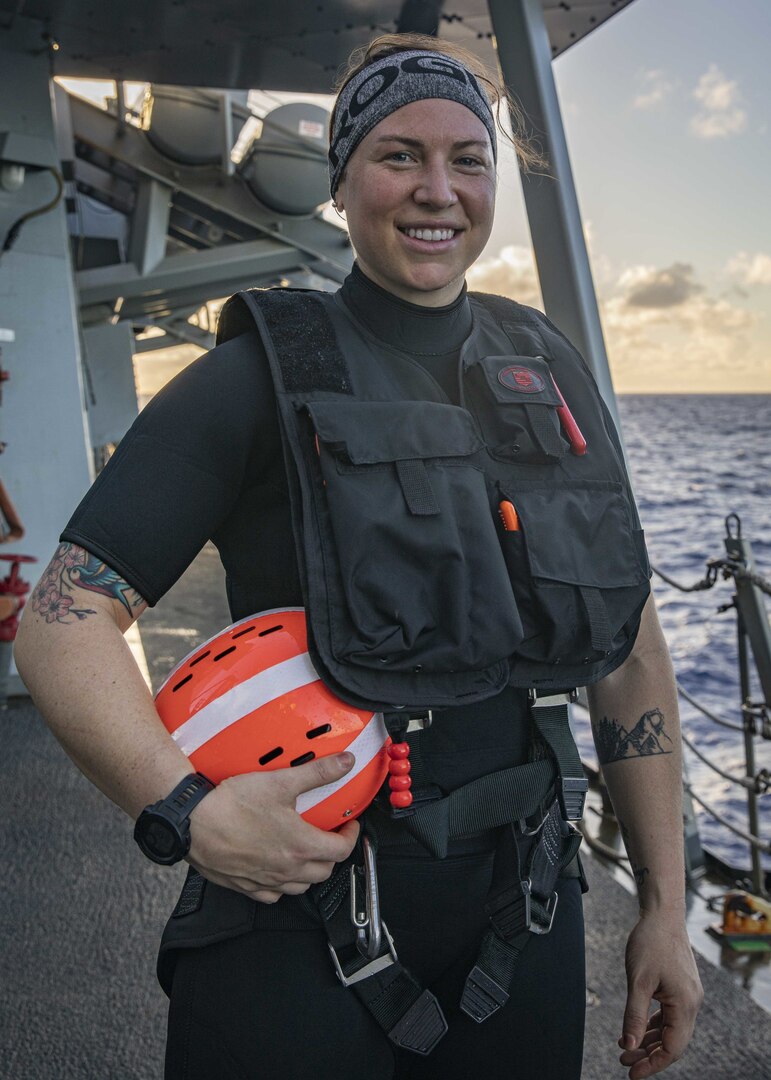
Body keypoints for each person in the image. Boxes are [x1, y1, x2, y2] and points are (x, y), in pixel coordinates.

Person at [15, 32, 702, 1080]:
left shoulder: (550, 373)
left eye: (467, 159)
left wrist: (664, 908)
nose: (438, 190)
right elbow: (61, 620)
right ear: (341, 183)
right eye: (398, 155)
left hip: (523, 915)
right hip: (295, 915)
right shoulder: (253, 381)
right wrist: (185, 814)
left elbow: (631, 654)